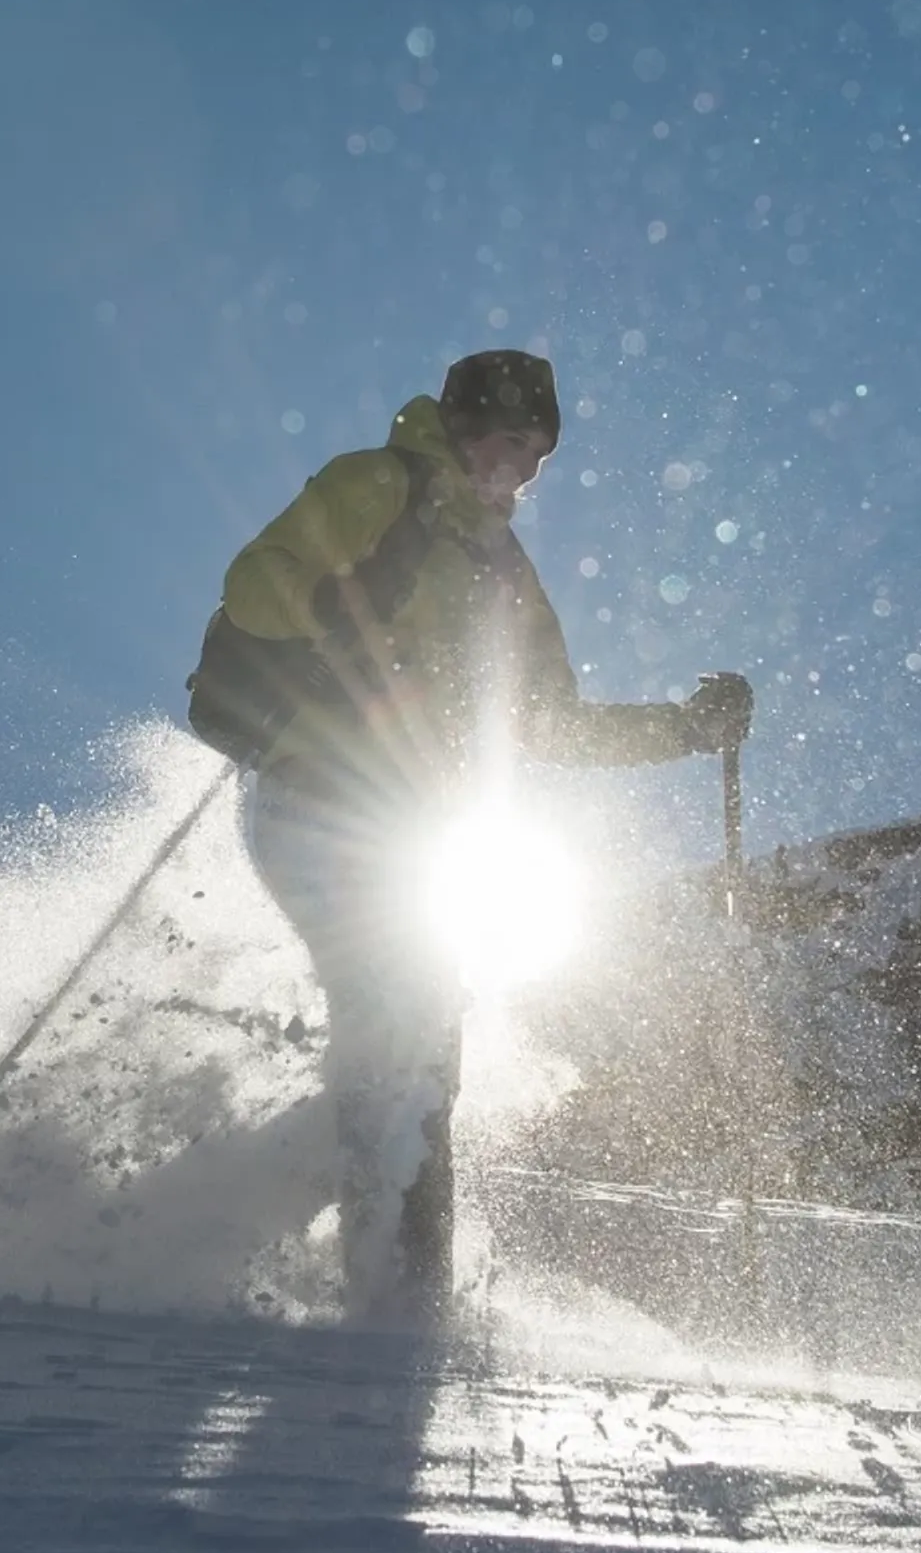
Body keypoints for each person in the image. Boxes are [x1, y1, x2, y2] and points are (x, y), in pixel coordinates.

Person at [202, 349, 750, 1326]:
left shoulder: (506, 571)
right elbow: (256, 581)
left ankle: (236, 1221)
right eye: (510, 444)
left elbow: (551, 725)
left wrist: (685, 730)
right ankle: (399, 1310)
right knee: (405, 1032)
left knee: (418, 1049)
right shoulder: (382, 484)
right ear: (461, 428)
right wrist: (331, 620)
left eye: (539, 456)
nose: (523, 472)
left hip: (415, 831)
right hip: (315, 795)